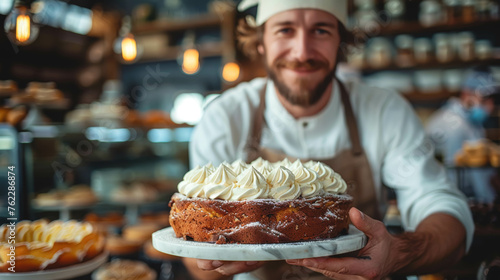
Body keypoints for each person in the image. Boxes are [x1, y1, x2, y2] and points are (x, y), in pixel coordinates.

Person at [184, 1, 474, 279]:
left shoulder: (385, 111)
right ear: (260, 42)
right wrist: (211, 262)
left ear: (341, 42)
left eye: (321, 30)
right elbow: (196, 261)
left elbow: (441, 208)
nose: (302, 52)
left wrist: (399, 253)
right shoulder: (224, 117)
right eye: (285, 30)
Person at [426, 66, 499, 206]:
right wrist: (489, 203)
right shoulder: (451, 125)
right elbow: (454, 178)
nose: (490, 107)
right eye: (485, 99)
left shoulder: (471, 122)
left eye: (492, 100)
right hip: (454, 204)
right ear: (466, 94)